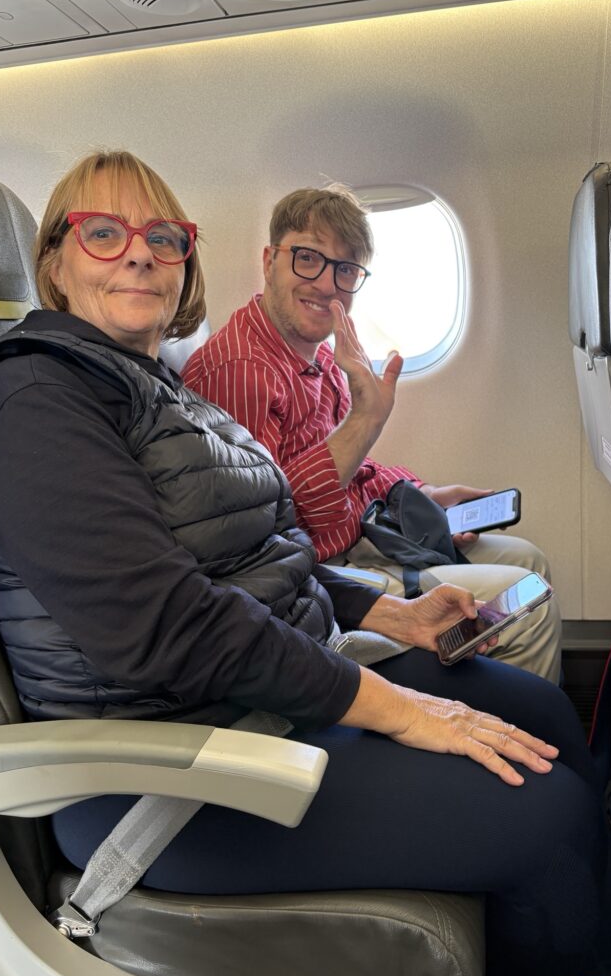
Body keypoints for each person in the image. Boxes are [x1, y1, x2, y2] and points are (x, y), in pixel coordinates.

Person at [0, 150, 611, 976]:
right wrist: (395, 708)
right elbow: (162, 625)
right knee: (543, 812)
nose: (139, 253)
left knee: (542, 716)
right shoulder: (32, 398)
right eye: (103, 233)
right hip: (169, 766)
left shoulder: (151, 384)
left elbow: (259, 553)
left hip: (255, 702)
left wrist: (388, 610)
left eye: (163, 237)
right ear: (52, 262)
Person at [181, 186, 562, 683]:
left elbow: (355, 470)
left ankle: (492, 704)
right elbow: (268, 528)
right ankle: (508, 716)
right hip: (323, 575)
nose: (327, 285)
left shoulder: (322, 356)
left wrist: (424, 496)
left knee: (530, 561)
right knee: (528, 608)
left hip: (359, 537)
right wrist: (366, 419)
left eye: (345, 270)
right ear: (270, 261)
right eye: (308, 258)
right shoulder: (240, 372)